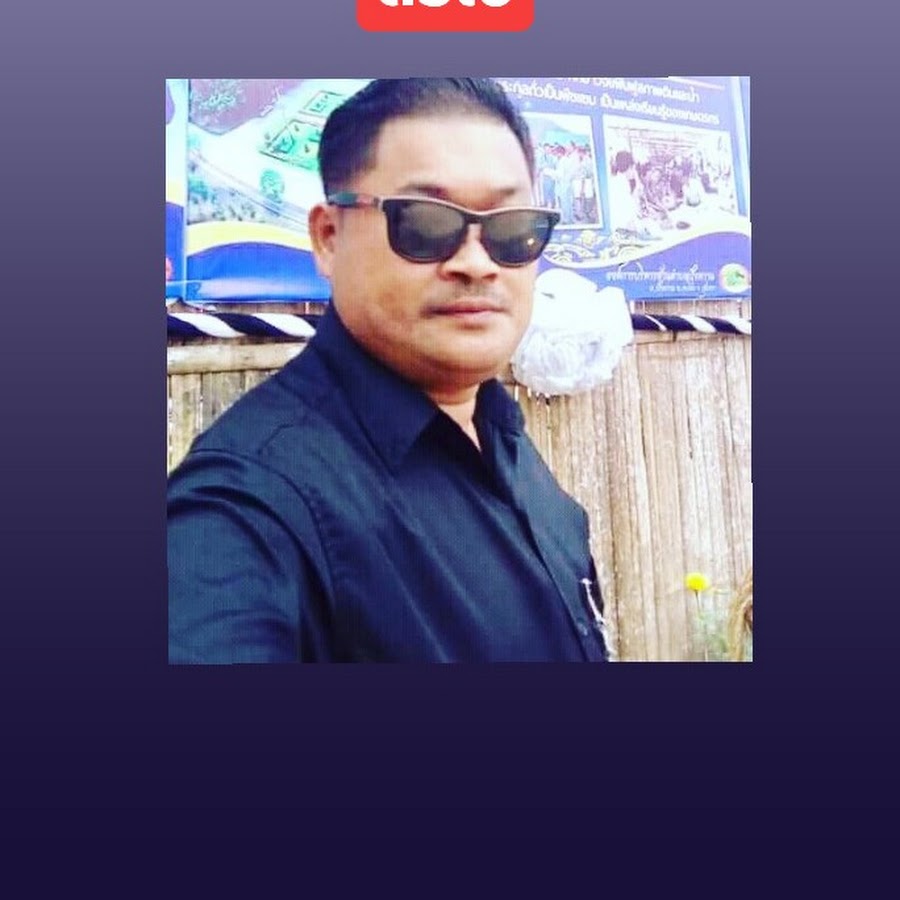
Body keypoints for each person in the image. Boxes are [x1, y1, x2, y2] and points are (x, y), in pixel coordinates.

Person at [168, 78, 609, 663]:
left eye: (511, 230)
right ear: (329, 238)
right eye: (425, 223)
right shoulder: (250, 508)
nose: (477, 263)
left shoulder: (498, 432)